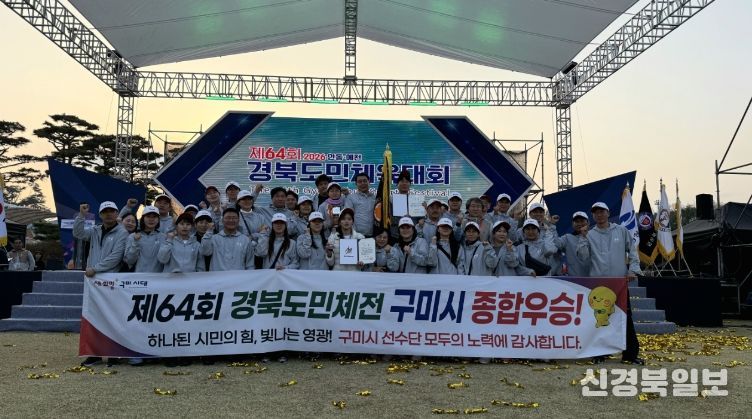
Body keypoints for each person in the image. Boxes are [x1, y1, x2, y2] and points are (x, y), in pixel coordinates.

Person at [577, 201, 643, 365]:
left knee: (625, 318)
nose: (599, 215)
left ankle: (630, 355)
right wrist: (583, 237)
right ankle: (599, 353)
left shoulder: (621, 230)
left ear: (608, 213)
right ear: (593, 216)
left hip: (619, 284)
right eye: (596, 212)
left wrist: (633, 270)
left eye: (602, 211)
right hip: (598, 285)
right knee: (599, 319)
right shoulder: (589, 234)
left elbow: (632, 251)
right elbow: (583, 257)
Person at [73, 201, 130, 367]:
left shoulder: (122, 232)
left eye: (112, 211)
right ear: (100, 215)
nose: (108, 214)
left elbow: (116, 257)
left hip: (111, 280)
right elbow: (78, 233)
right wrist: (81, 215)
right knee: (93, 317)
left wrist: (95, 268)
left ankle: (114, 353)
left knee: (113, 317)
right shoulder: (95, 230)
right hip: (94, 281)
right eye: (105, 212)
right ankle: (94, 353)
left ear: (117, 213)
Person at [124, 206, 166, 273]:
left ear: (158, 219)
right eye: (148, 216)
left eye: (154, 217)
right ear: (143, 218)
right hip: (138, 277)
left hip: (158, 277)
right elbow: (129, 261)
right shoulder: (132, 236)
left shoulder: (163, 237)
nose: (151, 219)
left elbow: (164, 260)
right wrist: (135, 242)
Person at [558, 211, 591, 277]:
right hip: (574, 279)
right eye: (577, 222)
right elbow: (552, 247)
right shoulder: (566, 238)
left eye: (582, 221)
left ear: (588, 223)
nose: (579, 224)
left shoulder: (594, 236)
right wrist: (551, 227)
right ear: (572, 224)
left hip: (594, 279)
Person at [344, 172, 376, 237]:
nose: (362, 183)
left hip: (373, 234)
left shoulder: (375, 198)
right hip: (357, 235)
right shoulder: (351, 198)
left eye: (365, 181)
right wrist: (354, 234)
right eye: (360, 181)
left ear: (369, 182)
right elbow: (348, 216)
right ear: (356, 184)